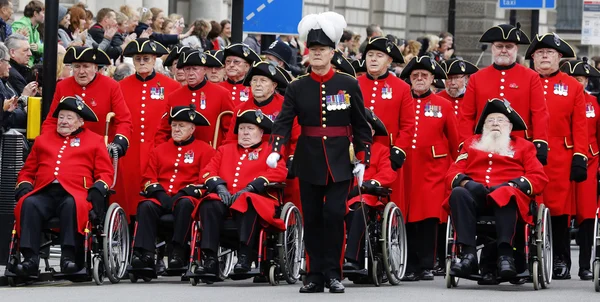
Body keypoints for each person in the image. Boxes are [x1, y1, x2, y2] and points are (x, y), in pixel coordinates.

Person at [267, 12, 372, 294]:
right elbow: (284, 121)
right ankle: (314, 275)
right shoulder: (297, 86)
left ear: (332, 52)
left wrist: (363, 159)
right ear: (307, 53)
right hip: (310, 158)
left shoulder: (348, 84)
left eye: (322, 50)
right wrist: (277, 149)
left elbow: (361, 124)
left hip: (340, 160)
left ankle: (333, 274)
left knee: (334, 214)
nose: (316, 54)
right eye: (312, 50)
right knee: (312, 217)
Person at [9, 96, 114, 277]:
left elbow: (106, 172)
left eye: (69, 117)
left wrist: (98, 188)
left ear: (81, 121)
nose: (63, 121)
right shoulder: (43, 140)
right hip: (44, 191)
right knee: (29, 204)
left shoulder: (94, 141)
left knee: (71, 205)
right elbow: (27, 170)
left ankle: (69, 258)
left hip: (76, 192)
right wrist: (24, 185)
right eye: (61, 117)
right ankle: (30, 260)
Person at [446, 98, 548, 280]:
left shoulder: (524, 147)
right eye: (490, 120)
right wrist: (466, 183)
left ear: (510, 126)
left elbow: (538, 177)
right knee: (458, 193)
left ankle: (505, 255)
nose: (495, 124)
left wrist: (513, 185)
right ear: (483, 126)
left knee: (505, 193)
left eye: (500, 120)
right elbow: (454, 171)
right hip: (476, 198)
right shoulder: (471, 144)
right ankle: (468, 255)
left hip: (510, 201)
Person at [193, 109, 286, 275]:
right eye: (242, 128)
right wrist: (220, 186)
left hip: (257, 201)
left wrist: (251, 187)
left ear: (261, 132)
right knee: (209, 204)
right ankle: (211, 258)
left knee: (247, 200)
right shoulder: (224, 150)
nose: (245, 133)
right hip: (227, 199)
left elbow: (279, 172)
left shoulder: (269, 150)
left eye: (250, 129)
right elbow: (208, 171)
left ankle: (244, 255)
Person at [526, 33, 587, 280]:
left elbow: (580, 126)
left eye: (549, 53)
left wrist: (580, 157)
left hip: (560, 156)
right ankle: (529, 256)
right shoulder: (525, 81)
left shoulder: (572, 86)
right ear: (532, 58)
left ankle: (561, 259)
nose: (544, 57)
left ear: (559, 57)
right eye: (539, 53)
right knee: (529, 207)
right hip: (528, 153)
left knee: (559, 211)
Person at [130, 105, 215, 271]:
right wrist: (161, 195)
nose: (176, 129)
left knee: (184, 204)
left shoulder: (205, 150)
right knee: (146, 206)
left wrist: (182, 193)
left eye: (181, 126)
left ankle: (178, 251)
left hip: (186, 198)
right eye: (174, 125)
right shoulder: (159, 150)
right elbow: (148, 178)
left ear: (192, 128)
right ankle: (145, 253)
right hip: (162, 197)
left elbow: (204, 180)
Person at [398, 56, 459, 281]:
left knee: (428, 217)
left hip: (433, 168)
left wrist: (457, 169)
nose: (420, 79)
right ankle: (409, 264)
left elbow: (454, 140)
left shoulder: (443, 104)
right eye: (415, 76)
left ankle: (426, 264)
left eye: (424, 75)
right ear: (410, 80)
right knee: (408, 216)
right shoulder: (403, 101)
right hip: (406, 168)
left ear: (433, 78)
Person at [458, 23, 549, 164]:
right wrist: (466, 143)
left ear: (516, 49)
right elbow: (467, 116)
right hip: (484, 143)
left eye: (509, 47)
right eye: (499, 46)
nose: (504, 51)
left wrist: (540, 142)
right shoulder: (477, 77)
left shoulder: (531, 76)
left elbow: (539, 112)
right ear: (492, 48)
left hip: (520, 145)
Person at [117, 38, 182, 219]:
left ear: (154, 59)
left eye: (146, 58)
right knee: (128, 192)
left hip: (158, 149)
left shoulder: (172, 87)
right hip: (130, 150)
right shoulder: (120, 86)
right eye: (138, 59)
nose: (142, 62)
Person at [357, 36, 415, 219]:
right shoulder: (354, 85)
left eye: (379, 55)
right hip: (358, 154)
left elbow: (408, 125)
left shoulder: (402, 88)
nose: (373, 59)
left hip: (388, 156)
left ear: (389, 60)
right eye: (370, 55)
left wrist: (397, 152)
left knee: (389, 204)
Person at [41, 46, 132, 160]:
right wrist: (46, 142)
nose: (81, 71)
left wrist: (119, 142)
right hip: (67, 152)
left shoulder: (111, 86)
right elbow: (52, 120)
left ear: (95, 67)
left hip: (100, 153)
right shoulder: (62, 86)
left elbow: (124, 120)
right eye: (77, 66)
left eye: (86, 66)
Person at [560, 58, 600, 280]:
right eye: (575, 79)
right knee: (563, 215)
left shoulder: (594, 103)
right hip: (565, 159)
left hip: (590, 162)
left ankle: (585, 264)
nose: (580, 83)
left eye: (583, 79)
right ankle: (562, 262)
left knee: (586, 215)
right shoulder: (562, 99)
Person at [343, 109, 396, 270]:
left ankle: (352, 258)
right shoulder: (345, 148)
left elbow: (388, 173)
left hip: (368, 197)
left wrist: (371, 183)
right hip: (344, 194)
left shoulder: (380, 149)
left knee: (360, 206)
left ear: (372, 131)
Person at [154, 49, 233, 146]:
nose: (190, 73)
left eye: (195, 69)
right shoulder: (174, 96)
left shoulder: (222, 94)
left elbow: (230, 131)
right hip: (179, 156)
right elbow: (163, 131)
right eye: (187, 69)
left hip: (211, 155)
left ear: (205, 70)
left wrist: (222, 154)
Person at [11, 0, 44, 66]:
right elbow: (18, 48)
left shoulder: (36, 31)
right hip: (21, 66)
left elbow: (42, 49)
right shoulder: (21, 25)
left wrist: (38, 47)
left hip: (29, 65)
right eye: (43, 13)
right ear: (35, 13)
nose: (45, 16)